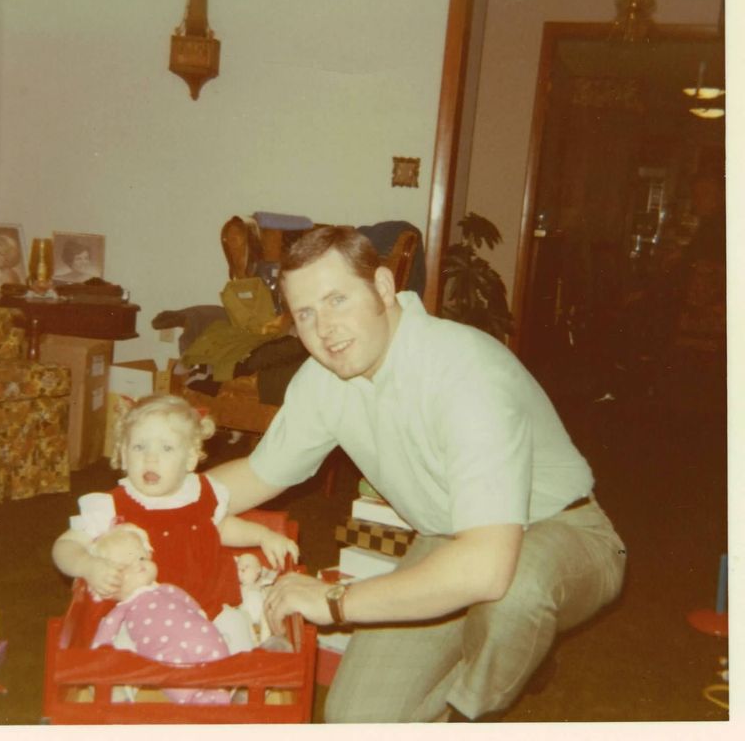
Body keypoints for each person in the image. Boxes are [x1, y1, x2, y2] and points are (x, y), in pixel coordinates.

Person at [207, 225, 627, 723]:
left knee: (513, 593)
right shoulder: (323, 380)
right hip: (448, 538)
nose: (325, 328)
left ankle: (476, 702)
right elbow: (258, 475)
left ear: (383, 288)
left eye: (337, 299)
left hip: (562, 530)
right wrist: (146, 503)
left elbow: (486, 566)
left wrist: (336, 600)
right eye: (305, 313)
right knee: (355, 720)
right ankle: (500, 642)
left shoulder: (465, 373)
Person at [52, 394, 299, 628]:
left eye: (167, 448)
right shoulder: (111, 505)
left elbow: (222, 527)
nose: (150, 458)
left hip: (212, 604)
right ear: (124, 455)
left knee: (236, 635)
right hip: (144, 615)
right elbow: (64, 546)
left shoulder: (204, 492)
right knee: (129, 647)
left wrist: (263, 536)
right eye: (139, 447)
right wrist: (87, 565)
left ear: (190, 459)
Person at [89, 522, 233, 705]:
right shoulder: (123, 609)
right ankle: (199, 701)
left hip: (202, 635)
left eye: (142, 557)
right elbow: (103, 639)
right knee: (173, 676)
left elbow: (190, 603)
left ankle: (224, 689)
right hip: (166, 654)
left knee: (219, 660)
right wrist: (98, 659)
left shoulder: (166, 589)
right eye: (125, 566)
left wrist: (202, 617)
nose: (138, 564)